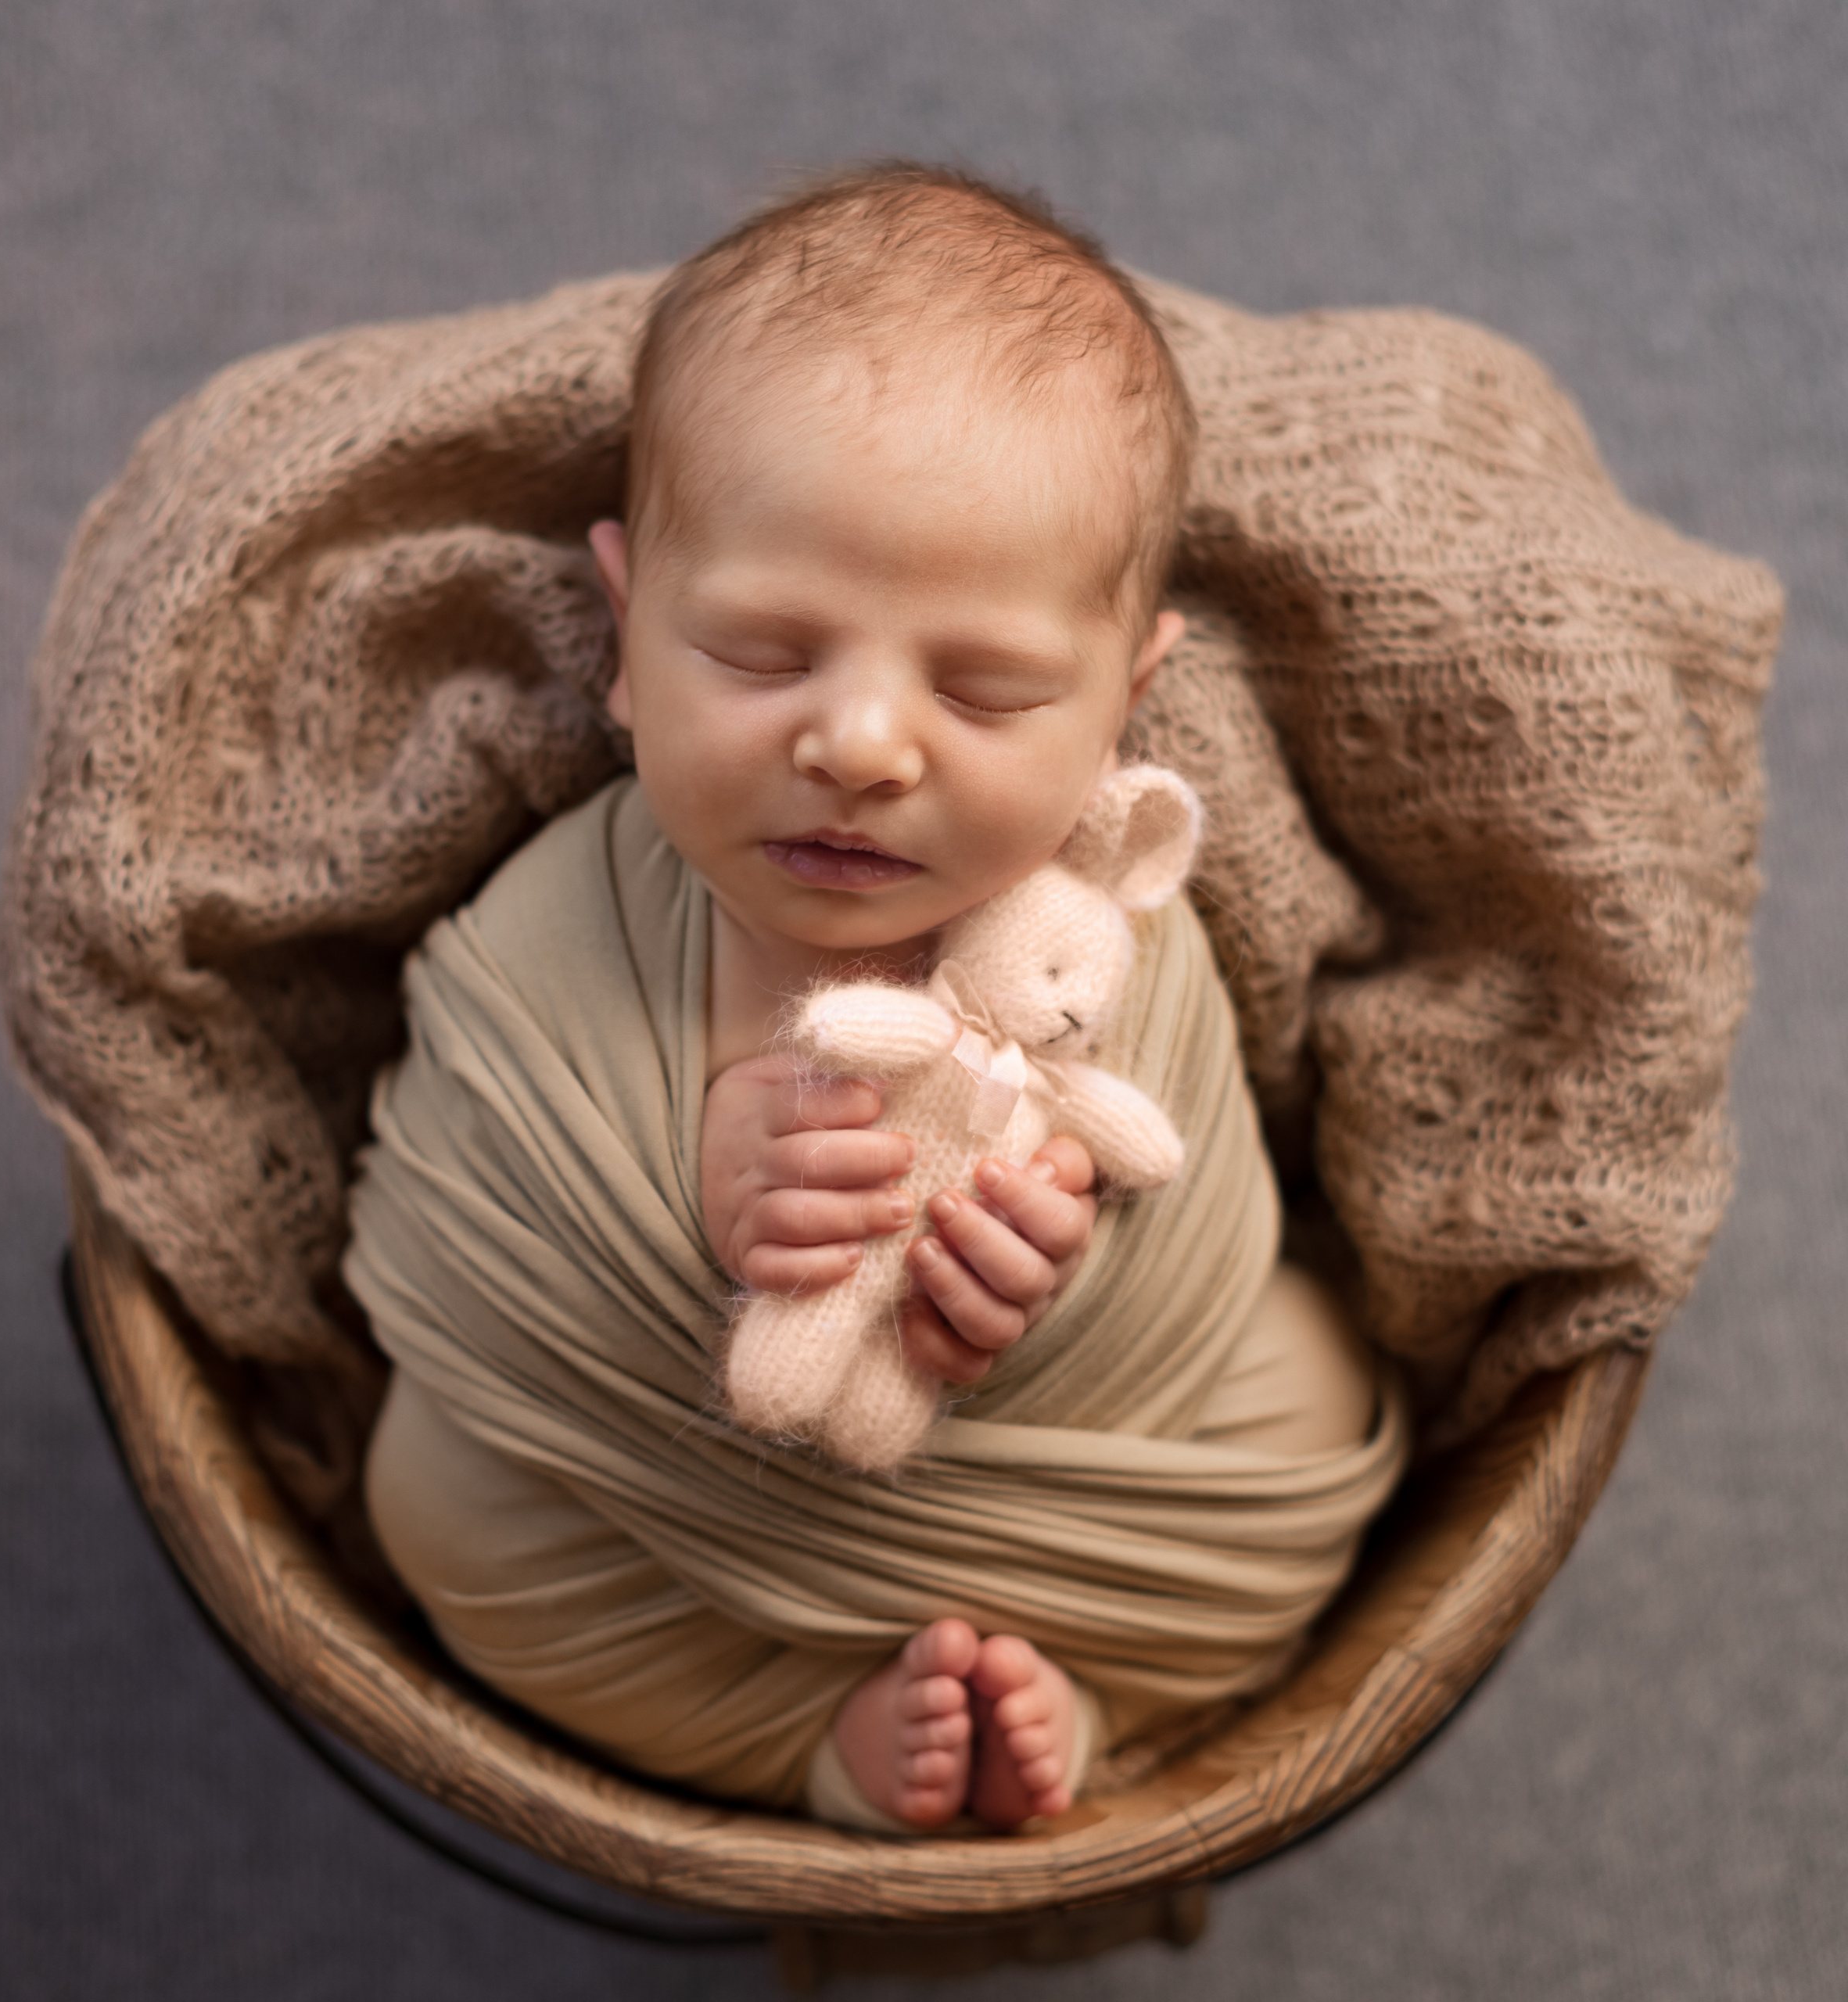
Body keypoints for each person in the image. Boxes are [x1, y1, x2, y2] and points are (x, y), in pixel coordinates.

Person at [346, 162, 1406, 1837]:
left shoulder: (1120, 937)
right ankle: (808, 1750)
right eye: (762, 654)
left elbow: (1196, 1196)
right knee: (435, 1502)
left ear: (1121, 711)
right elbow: (461, 1164)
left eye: (985, 687)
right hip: (660, 1470)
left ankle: (1090, 1697)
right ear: (625, 637)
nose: (856, 745)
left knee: (1307, 1385)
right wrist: (689, 1196)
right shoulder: (574, 904)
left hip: (1064, 1454)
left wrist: (1037, 1283)